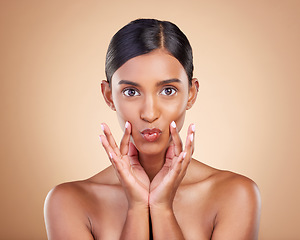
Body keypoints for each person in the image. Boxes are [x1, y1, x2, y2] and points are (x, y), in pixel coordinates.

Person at [44, 18, 261, 240]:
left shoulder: (235, 195)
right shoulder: (68, 202)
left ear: (191, 94)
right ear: (109, 96)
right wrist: (137, 207)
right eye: (131, 92)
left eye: (168, 90)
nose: (149, 113)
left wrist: (162, 209)